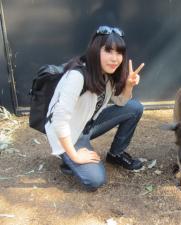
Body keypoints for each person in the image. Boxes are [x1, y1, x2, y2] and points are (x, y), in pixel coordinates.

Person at [45, 25, 145, 191]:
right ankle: (68, 159)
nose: (115, 58)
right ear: (95, 50)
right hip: (69, 133)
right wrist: (75, 155)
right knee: (95, 180)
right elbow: (59, 121)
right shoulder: (77, 76)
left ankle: (116, 155)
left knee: (134, 107)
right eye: (108, 51)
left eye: (119, 52)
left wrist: (128, 86)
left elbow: (121, 103)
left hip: (87, 125)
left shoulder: (108, 75)